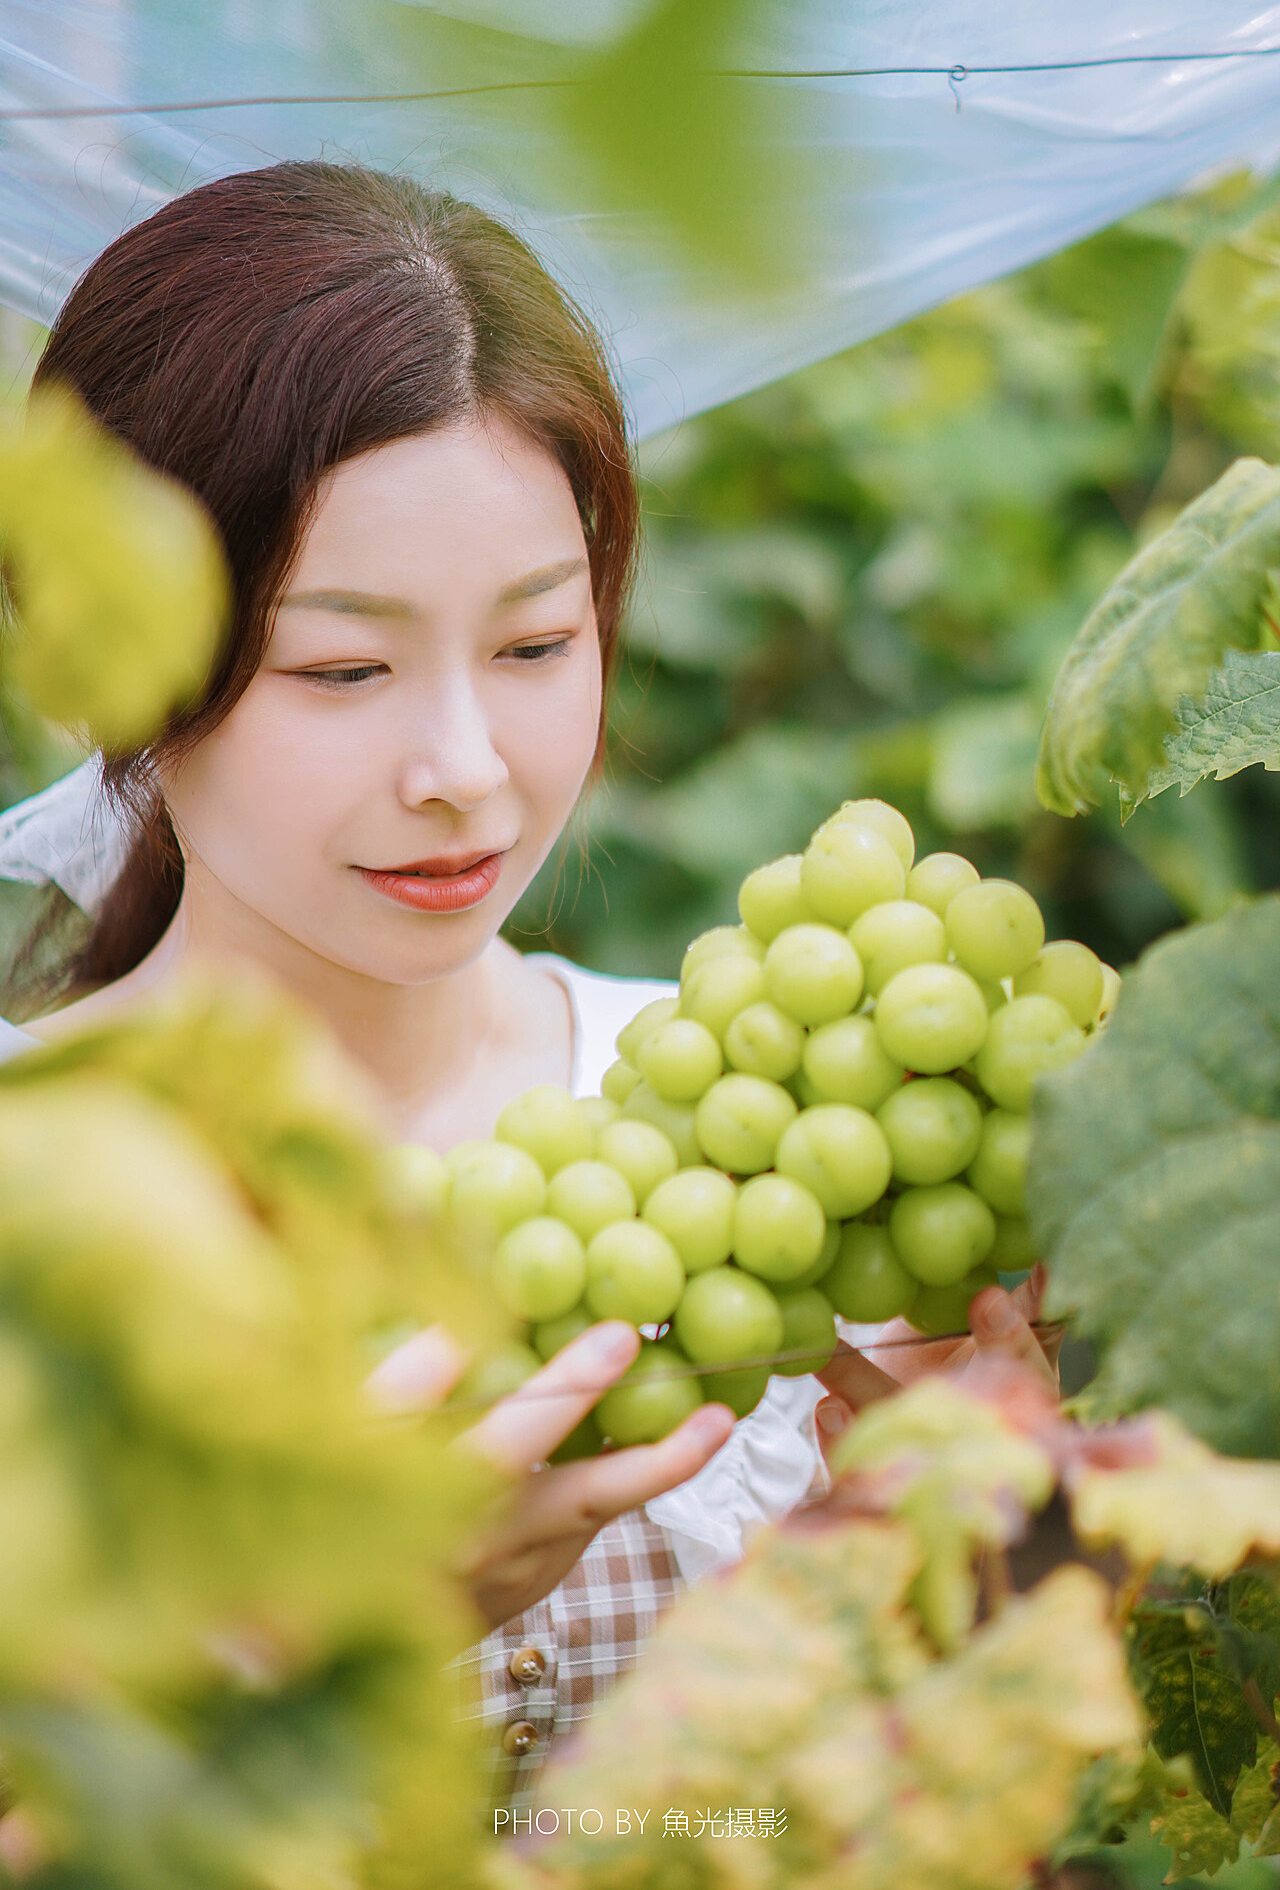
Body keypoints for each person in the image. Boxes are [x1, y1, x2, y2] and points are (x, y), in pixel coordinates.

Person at [0, 160, 1055, 1815]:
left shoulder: (771, 1140)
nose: (467, 771)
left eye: (537, 644)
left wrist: (996, 1578)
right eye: (340, 667)